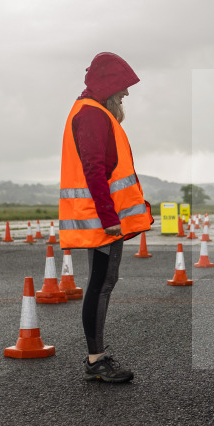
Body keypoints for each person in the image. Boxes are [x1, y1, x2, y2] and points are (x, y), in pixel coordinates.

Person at [59, 52, 154, 383]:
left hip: (102, 216)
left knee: (103, 281)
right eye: (123, 87)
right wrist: (108, 215)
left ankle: (96, 357)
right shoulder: (93, 115)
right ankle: (96, 360)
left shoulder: (93, 112)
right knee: (101, 282)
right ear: (110, 86)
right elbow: (94, 170)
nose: (126, 93)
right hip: (101, 219)